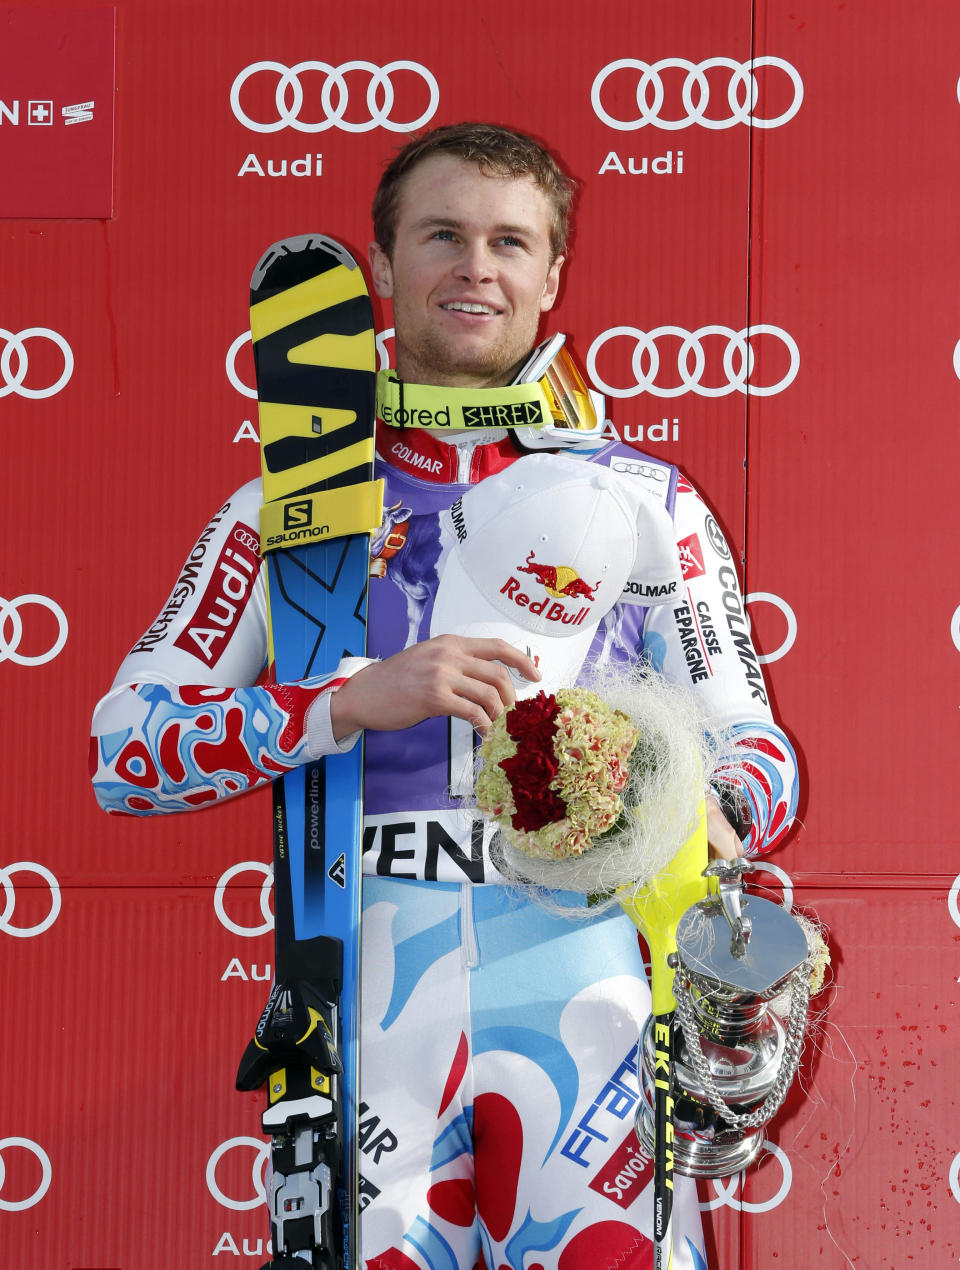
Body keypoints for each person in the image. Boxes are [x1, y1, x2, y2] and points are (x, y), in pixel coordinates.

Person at [91, 123, 799, 1270]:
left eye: (510, 242)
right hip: (371, 981)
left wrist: (696, 807)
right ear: (383, 263)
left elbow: (754, 749)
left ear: (552, 276)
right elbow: (125, 752)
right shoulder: (281, 512)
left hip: (583, 965)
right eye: (444, 236)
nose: (478, 267)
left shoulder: (645, 503)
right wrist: (349, 702)